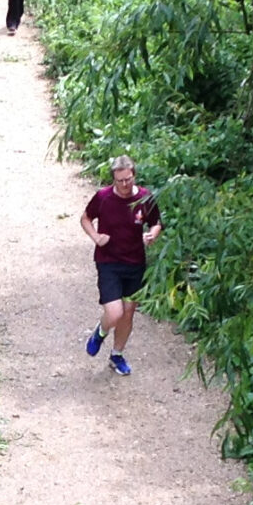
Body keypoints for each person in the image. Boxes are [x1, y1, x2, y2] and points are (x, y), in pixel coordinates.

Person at [81, 156, 162, 376]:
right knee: (114, 312)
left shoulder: (145, 198)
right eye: (120, 181)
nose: (124, 184)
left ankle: (117, 355)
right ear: (113, 180)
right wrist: (96, 237)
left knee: (128, 313)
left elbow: (156, 222)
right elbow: (86, 218)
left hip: (135, 263)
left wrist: (152, 235)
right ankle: (100, 332)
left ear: (134, 175)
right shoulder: (103, 197)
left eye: (128, 179)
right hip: (108, 261)